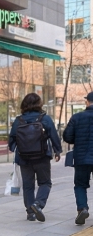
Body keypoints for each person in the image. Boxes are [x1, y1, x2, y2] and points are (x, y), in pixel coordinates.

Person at [8, 93, 62, 222]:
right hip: (42, 156)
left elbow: (11, 141)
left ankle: (30, 213)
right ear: (39, 104)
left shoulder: (19, 120)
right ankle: (38, 204)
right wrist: (57, 151)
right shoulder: (45, 118)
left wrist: (17, 148)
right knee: (45, 183)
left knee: (28, 186)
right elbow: (54, 135)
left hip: (24, 158)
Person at [63, 92, 93, 225]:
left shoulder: (77, 117)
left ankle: (82, 209)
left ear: (87, 102)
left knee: (80, 185)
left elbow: (67, 137)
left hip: (81, 157)